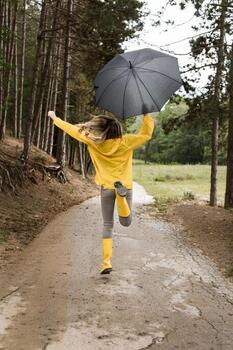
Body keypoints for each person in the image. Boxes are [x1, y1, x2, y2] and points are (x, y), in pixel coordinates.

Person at [48, 110, 155, 274]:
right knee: (126, 222)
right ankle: (121, 199)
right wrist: (146, 115)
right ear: (119, 130)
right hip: (124, 186)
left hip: (106, 187)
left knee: (107, 224)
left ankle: (106, 262)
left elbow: (73, 130)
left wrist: (55, 118)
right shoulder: (126, 141)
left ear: (103, 129)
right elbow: (146, 134)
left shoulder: (94, 142)